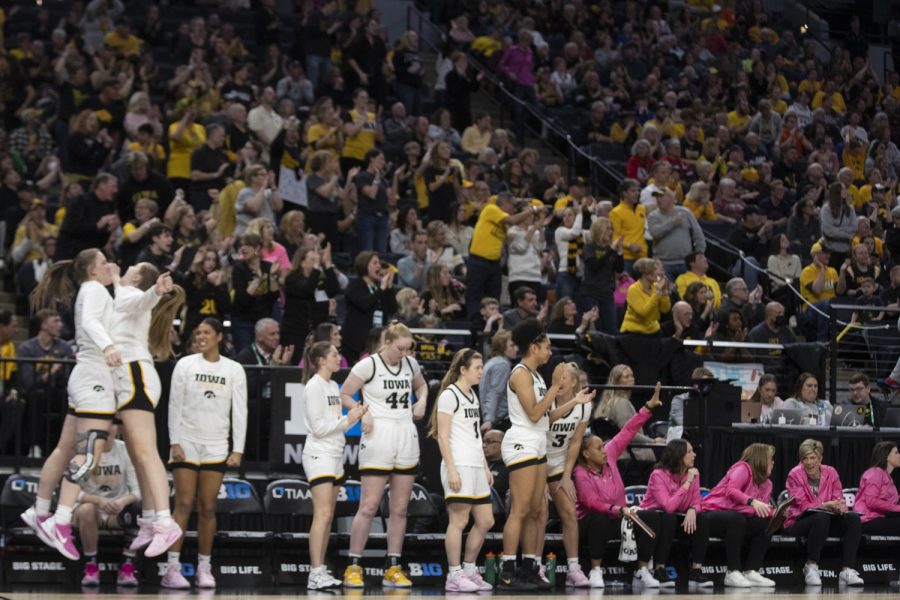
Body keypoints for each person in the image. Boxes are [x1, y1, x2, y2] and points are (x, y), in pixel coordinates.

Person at [24, 249, 122, 561]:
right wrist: (108, 345)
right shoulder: (94, 289)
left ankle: (40, 512)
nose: (108, 266)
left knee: (65, 448)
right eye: (104, 263)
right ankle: (62, 520)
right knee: (87, 453)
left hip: (83, 376)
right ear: (93, 269)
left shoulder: (91, 289)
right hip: (93, 376)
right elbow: (92, 321)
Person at [338, 322, 429, 588]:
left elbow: (422, 387)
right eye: (400, 348)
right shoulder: (369, 365)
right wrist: (362, 412)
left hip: (405, 435)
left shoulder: (411, 365)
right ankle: (353, 566)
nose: (404, 353)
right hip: (379, 436)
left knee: (399, 509)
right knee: (368, 506)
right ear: (387, 342)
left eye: (408, 349)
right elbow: (344, 394)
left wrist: (422, 400)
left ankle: (393, 567)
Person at [163, 318, 248, 589]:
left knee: (208, 507)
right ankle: (172, 568)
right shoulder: (185, 365)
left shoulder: (234, 369)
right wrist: (174, 441)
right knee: (184, 503)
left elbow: (240, 410)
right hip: (187, 441)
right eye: (198, 332)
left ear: (219, 337)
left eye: (207, 332)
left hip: (216, 444)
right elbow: (174, 404)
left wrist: (238, 449)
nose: (201, 336)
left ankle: (204, 567)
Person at [109, 263, 184, 560]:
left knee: (146, 453)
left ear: (137, 278)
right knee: (136, 454)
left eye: (130, 268)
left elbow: (136, 299)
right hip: (129, 377)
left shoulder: (130, 293)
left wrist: (152, 290)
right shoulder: (124, 293)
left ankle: (165, 522)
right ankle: (151, 520)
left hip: (136, 375)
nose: (124, 269)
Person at [573, 383, 664, 589]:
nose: (604, 450)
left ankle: (641, 570)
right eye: (598, 448)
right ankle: (596, 571)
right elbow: (592, 503)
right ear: (586, 454)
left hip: (620, 518)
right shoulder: (580, 473)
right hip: (590, 523)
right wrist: (619, 510)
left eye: (604, 446)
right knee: (598, 519)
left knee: (650, 517)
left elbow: (629, 430)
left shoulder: (611, 454)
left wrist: (647, 408)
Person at [497, 318, 564, 591]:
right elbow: (535, 413)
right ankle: (507, 570)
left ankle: (530, 567)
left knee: (538, 511)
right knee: (521, 509)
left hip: (537, 442)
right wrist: (556, 388)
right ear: (534, 347)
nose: (549, 352)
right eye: (546, 347)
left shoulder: (536, 375)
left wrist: (572, 400)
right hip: (521, 441)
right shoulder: (521, 373)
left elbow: (546, 417)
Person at [427, 349, 495, 592]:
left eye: (481, 367)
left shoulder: (472, 395)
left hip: (475, 465)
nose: (481, 371)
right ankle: (453, 575)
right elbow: (442, 437)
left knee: (486, 520)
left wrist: (485, 466)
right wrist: (452, 470)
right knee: (459, 520)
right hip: (458, 464)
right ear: (463, 370)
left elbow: (476, 437)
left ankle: (469, 569)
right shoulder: (449, 395)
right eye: (477, 368)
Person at [301, 341, 367, 590]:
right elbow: (318, 429)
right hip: (319, 454)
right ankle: (315, 572)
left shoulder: (331, 385)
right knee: (323, 514)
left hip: (335, 453)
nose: (339, 358)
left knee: (328, 517)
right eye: (334, 354)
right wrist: (347, 419)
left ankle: (320, 571)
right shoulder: (314, 386)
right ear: (321, 360)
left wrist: (354, 417)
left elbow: (336, 425)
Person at [781, 439, 864, 586]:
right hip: (798, 521)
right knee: (821, 516)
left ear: (820, 459)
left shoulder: (831, 472)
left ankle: (847, 570)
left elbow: (838, 497)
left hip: (825, 520)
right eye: (805, 458)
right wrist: (827, 505)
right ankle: (811, 566)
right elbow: (802, 505)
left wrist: (840, 506)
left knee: (853, 519)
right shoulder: (794, 474)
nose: (808, 462)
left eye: (812, 458)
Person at [542, 362, 595, 588]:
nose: (560, 381)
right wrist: (540, 479)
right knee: (540, 515)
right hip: (537, 462)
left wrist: (566, 475)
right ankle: (535, 565)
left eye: (565, 378)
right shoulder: (546, 399)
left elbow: (575, 443)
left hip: (560, 465)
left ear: (574, 383)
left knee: (570, 514)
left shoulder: (585, 407)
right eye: (558, 377)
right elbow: (544, 425)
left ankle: (574, 568)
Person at [74, 422, 141, 587]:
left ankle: (127, 566)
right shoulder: (82, 450)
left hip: (115, 512)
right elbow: (70, 493)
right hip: (88, 511)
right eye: (104, 424)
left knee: (139, 510)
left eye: (112, 425)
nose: (107, 429)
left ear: (117, 429)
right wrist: (98, 500)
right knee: (86, 510)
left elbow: (139, 490)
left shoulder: (125, 449)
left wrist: (123, 501)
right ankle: (91, 566)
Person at [700, 443, 776, 587]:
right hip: (712, 513)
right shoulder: (742, 468)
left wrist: (775, 513)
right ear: (760, 459)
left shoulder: (768, 484)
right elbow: (731, 491)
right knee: (737, 519)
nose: (773, 462)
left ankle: (751, 571)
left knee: (765, 525)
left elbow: (759, 512)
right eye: (770, 459)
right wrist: (752, 502)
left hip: (736, 520)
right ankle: (732, 572)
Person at [640, 439, 713, 588]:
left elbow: (698, 502)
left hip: (677, 517)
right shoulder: (658, 475)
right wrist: (687, 483)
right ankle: (659, 570)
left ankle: (695, 572)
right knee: (669, 518)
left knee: (703, 519)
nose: (694, 454)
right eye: (689, 452)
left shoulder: (693, 474)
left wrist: (693, 510)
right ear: (679, 455)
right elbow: (668, 506)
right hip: (653, 520)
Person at [465, 193, 536, 317]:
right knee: (474, 296)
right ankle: (475, 326)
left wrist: (520, 200)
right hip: (478, 261)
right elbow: (513, 219)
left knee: (494, 299)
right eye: (513, 206)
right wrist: (533, 210)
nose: (514, 209)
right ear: (505, 203)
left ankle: (493, 326)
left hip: (494, 264)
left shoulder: (503, 221)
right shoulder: (491, 209)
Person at [593, 364, 659, 462]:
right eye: (626, 377)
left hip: (616, 454)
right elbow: (627, 433)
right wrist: (653, 441)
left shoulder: (608, 402)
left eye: (632, 376)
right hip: (630, 456)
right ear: (617, 381)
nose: (631, 379)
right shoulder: (621, 403)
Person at [342, 251, 396, 363]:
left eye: (379, 263)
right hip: (355, 343)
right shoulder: (355, 285)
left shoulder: (379, 287)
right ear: (364, 265)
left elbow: (392, 309)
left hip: (376, 341)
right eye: (375, 263)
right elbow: (364, 304)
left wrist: (389, 288)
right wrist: (381, 289)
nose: (379, 266)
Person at [231, 233, 281, 352]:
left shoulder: (268, 267)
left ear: (257, 248)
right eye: (241, 245)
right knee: (245, 354)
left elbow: (274, 296)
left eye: (247, 245)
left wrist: (273, 276)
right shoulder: (239, 268)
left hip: (264, 319)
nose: (242, 248)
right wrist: (258, 280)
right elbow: (243, 299)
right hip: (243, 321)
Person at [855, 442, 900, 536]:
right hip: (868, 520)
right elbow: (871, 501)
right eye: (896, 453)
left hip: (881, 518)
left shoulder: (887, 477)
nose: (899, 455)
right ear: (886, 456)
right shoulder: (875, 472)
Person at [620, 258, 671, 335]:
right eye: (655, 269)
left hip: (653, 330)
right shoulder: (633, 289)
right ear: (646, 273)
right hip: (634, 331)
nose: (659, 273)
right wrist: (657, 293)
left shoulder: (656, 287)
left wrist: (664, 291)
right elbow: (644, 313)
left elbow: (665, 309)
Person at [480, 330, 517, 432]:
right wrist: (488, 419)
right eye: (512, 346)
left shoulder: (493, 362)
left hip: (494, 419)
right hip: (498, 421)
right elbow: (494, 392)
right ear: (502, 347)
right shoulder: (502, 365)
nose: (516, 349)